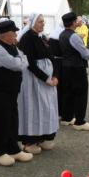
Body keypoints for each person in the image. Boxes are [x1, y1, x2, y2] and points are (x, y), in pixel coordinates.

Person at [0, 20, 33, 166]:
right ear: (5, 35)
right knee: (1, 121)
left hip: (9, 90)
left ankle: (13, 149)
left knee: (12, 119)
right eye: (14, 32)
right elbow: (18, 64)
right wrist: (21, 60)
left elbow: (24, 59)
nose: (16, 35)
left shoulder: (10, 45)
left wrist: (21, 59)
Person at [17, 13, 59, 153]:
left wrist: (55, 76)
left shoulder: (40, 37)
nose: (43, 24)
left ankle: (43, 137)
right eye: (40, 22)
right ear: (33, 23)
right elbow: (30, 63)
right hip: (33, 80)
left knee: (46, 108)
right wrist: (46, 78)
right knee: (34, 109)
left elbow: (50, 57)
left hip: (46, 80)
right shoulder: (27, 39)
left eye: (43, 21)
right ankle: (30, 141)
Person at [59, 12, 89, 131]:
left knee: (68, 92)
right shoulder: (74, 36)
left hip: (65, 66)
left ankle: (66, 117)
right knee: (81, 93)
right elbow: (85, 54)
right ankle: (80, 121)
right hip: (76, 67)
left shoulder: (62, 34)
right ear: (74, 22)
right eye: (76, 21)